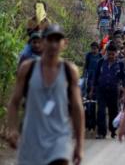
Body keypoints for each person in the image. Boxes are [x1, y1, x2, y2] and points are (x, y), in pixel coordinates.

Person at [7, 24, 85, 165]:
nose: (54, 45)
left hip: (59, 139)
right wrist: (11, 129)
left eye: (58, 40)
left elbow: (77, 108)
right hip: (31, 139)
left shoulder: (69, 71)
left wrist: (79, 145)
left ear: (64, 43)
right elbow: (14, 102)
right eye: (50, 40)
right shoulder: (27, 69)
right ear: (42, 42)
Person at [91, 43, 125, 139]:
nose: (111, 56)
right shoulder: (100, 62)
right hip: (101, 90)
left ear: (116, 53)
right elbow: (95, 77)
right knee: (100, 112)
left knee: (113, 111)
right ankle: (101, 132)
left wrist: (124, 90)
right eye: (109, 54)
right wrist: (92, 90)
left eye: (113, 54)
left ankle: (113, 131)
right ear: (106, 53)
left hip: (114, 91)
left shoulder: (120, 64)